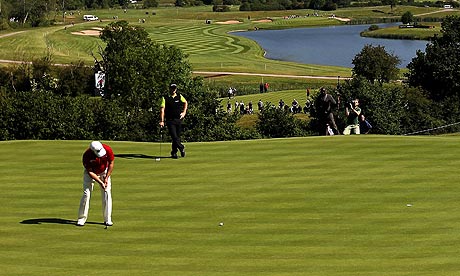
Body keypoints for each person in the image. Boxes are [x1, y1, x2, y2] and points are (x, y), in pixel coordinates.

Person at [77, 141, 115, 227]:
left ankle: (107, 219)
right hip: (91, 173)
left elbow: (111, 163)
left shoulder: (107, 149)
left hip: (104, 171)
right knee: (86, 194)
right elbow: (90, 172)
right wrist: (101, 182)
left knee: (107, 193)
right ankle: (81, 219)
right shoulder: (87, 155)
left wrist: (106, 177)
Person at [160, 83, 188, 159]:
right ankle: (181, 147)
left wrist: (184, 112)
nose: (173, 90)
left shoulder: (179, 96)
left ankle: (174, 153)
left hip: (178, 119)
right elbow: (162, 110)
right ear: (169, 89)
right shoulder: (165, 98)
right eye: (172, 88)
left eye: (174, 88)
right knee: (174, 136)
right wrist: (162, 120)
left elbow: (185, 102)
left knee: (177, 137)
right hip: (170, 120)